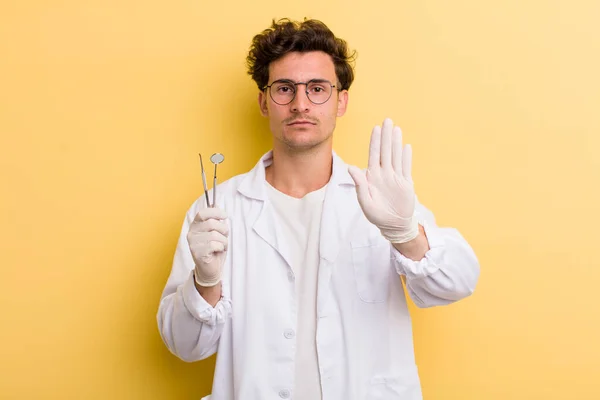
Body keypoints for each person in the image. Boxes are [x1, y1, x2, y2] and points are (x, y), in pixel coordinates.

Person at [157, 18, 480, 400]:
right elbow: (184, 345)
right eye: (284, 89)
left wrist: (405, 235)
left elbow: (458, 282)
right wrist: (205, 283)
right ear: (264, 101)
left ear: (341, 101)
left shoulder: (378, 199)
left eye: (317, 89)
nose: (300, 104)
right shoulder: (218, 208)